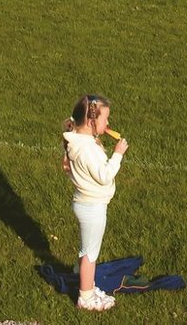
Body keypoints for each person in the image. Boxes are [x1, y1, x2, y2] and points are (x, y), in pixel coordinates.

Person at [62, 94, 128, 312]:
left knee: (87, 250)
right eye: (105, 118)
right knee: (90, 255)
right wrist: (117, 154)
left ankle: (85, 280)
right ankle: (86, 297)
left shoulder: (78, 139)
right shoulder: (87, 149)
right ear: (91, 122)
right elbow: (104, 176)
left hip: (85, 203)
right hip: (92, 207)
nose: (108, 123)